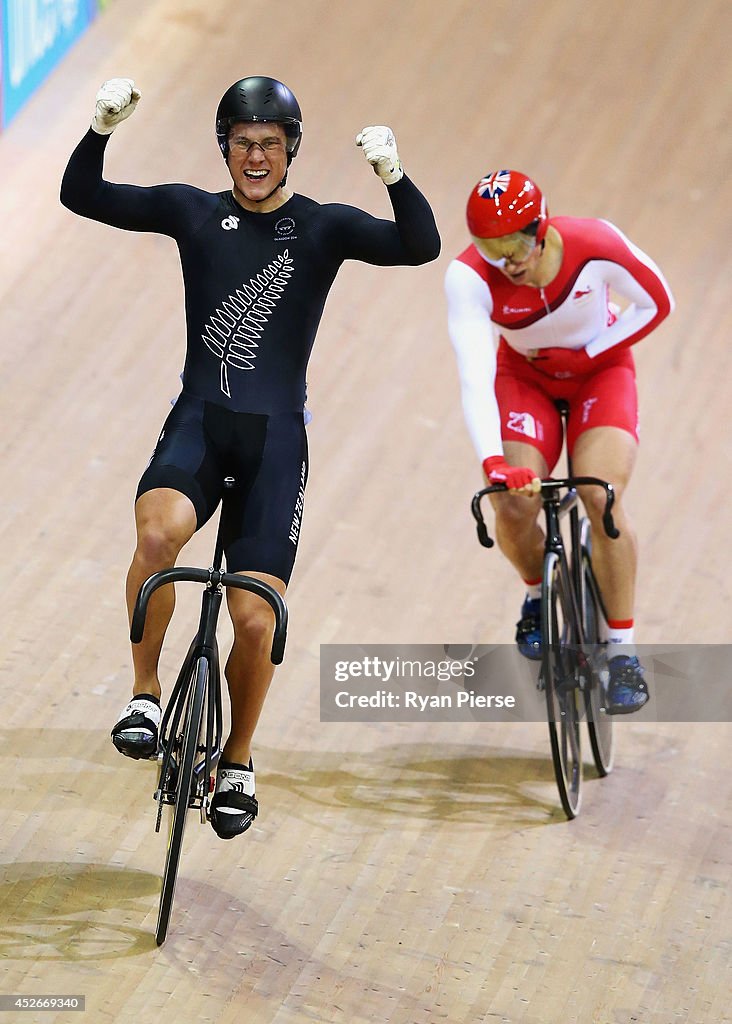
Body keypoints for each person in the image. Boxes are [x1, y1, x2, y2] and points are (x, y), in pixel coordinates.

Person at [61, 76, 440, 838]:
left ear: (291, 149)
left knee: (256, 621)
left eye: (271, 143)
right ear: (224, 147)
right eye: (243, 142)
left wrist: (394, 176)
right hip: (202, 421)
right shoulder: (191, 211)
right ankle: (143, 692)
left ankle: (236, 759)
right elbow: (83, 194)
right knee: (157, 534)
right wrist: (100, 128)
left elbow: (418, 245)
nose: (256, 156)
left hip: (275, 443)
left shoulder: (324, 227)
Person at [445, 169, 673, 714]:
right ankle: (537, 595)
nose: (507, 260)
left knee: (601, 497)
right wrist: (495, 462)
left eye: (516, 243)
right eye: (491, 248)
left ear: (541, 226)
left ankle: (622, 653)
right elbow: (475, 377)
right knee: (511, 502)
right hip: (525, 379)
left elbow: (656, 302)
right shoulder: (469, 277)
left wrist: (589, 355)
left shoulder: (595, 243)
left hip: (601, 371)